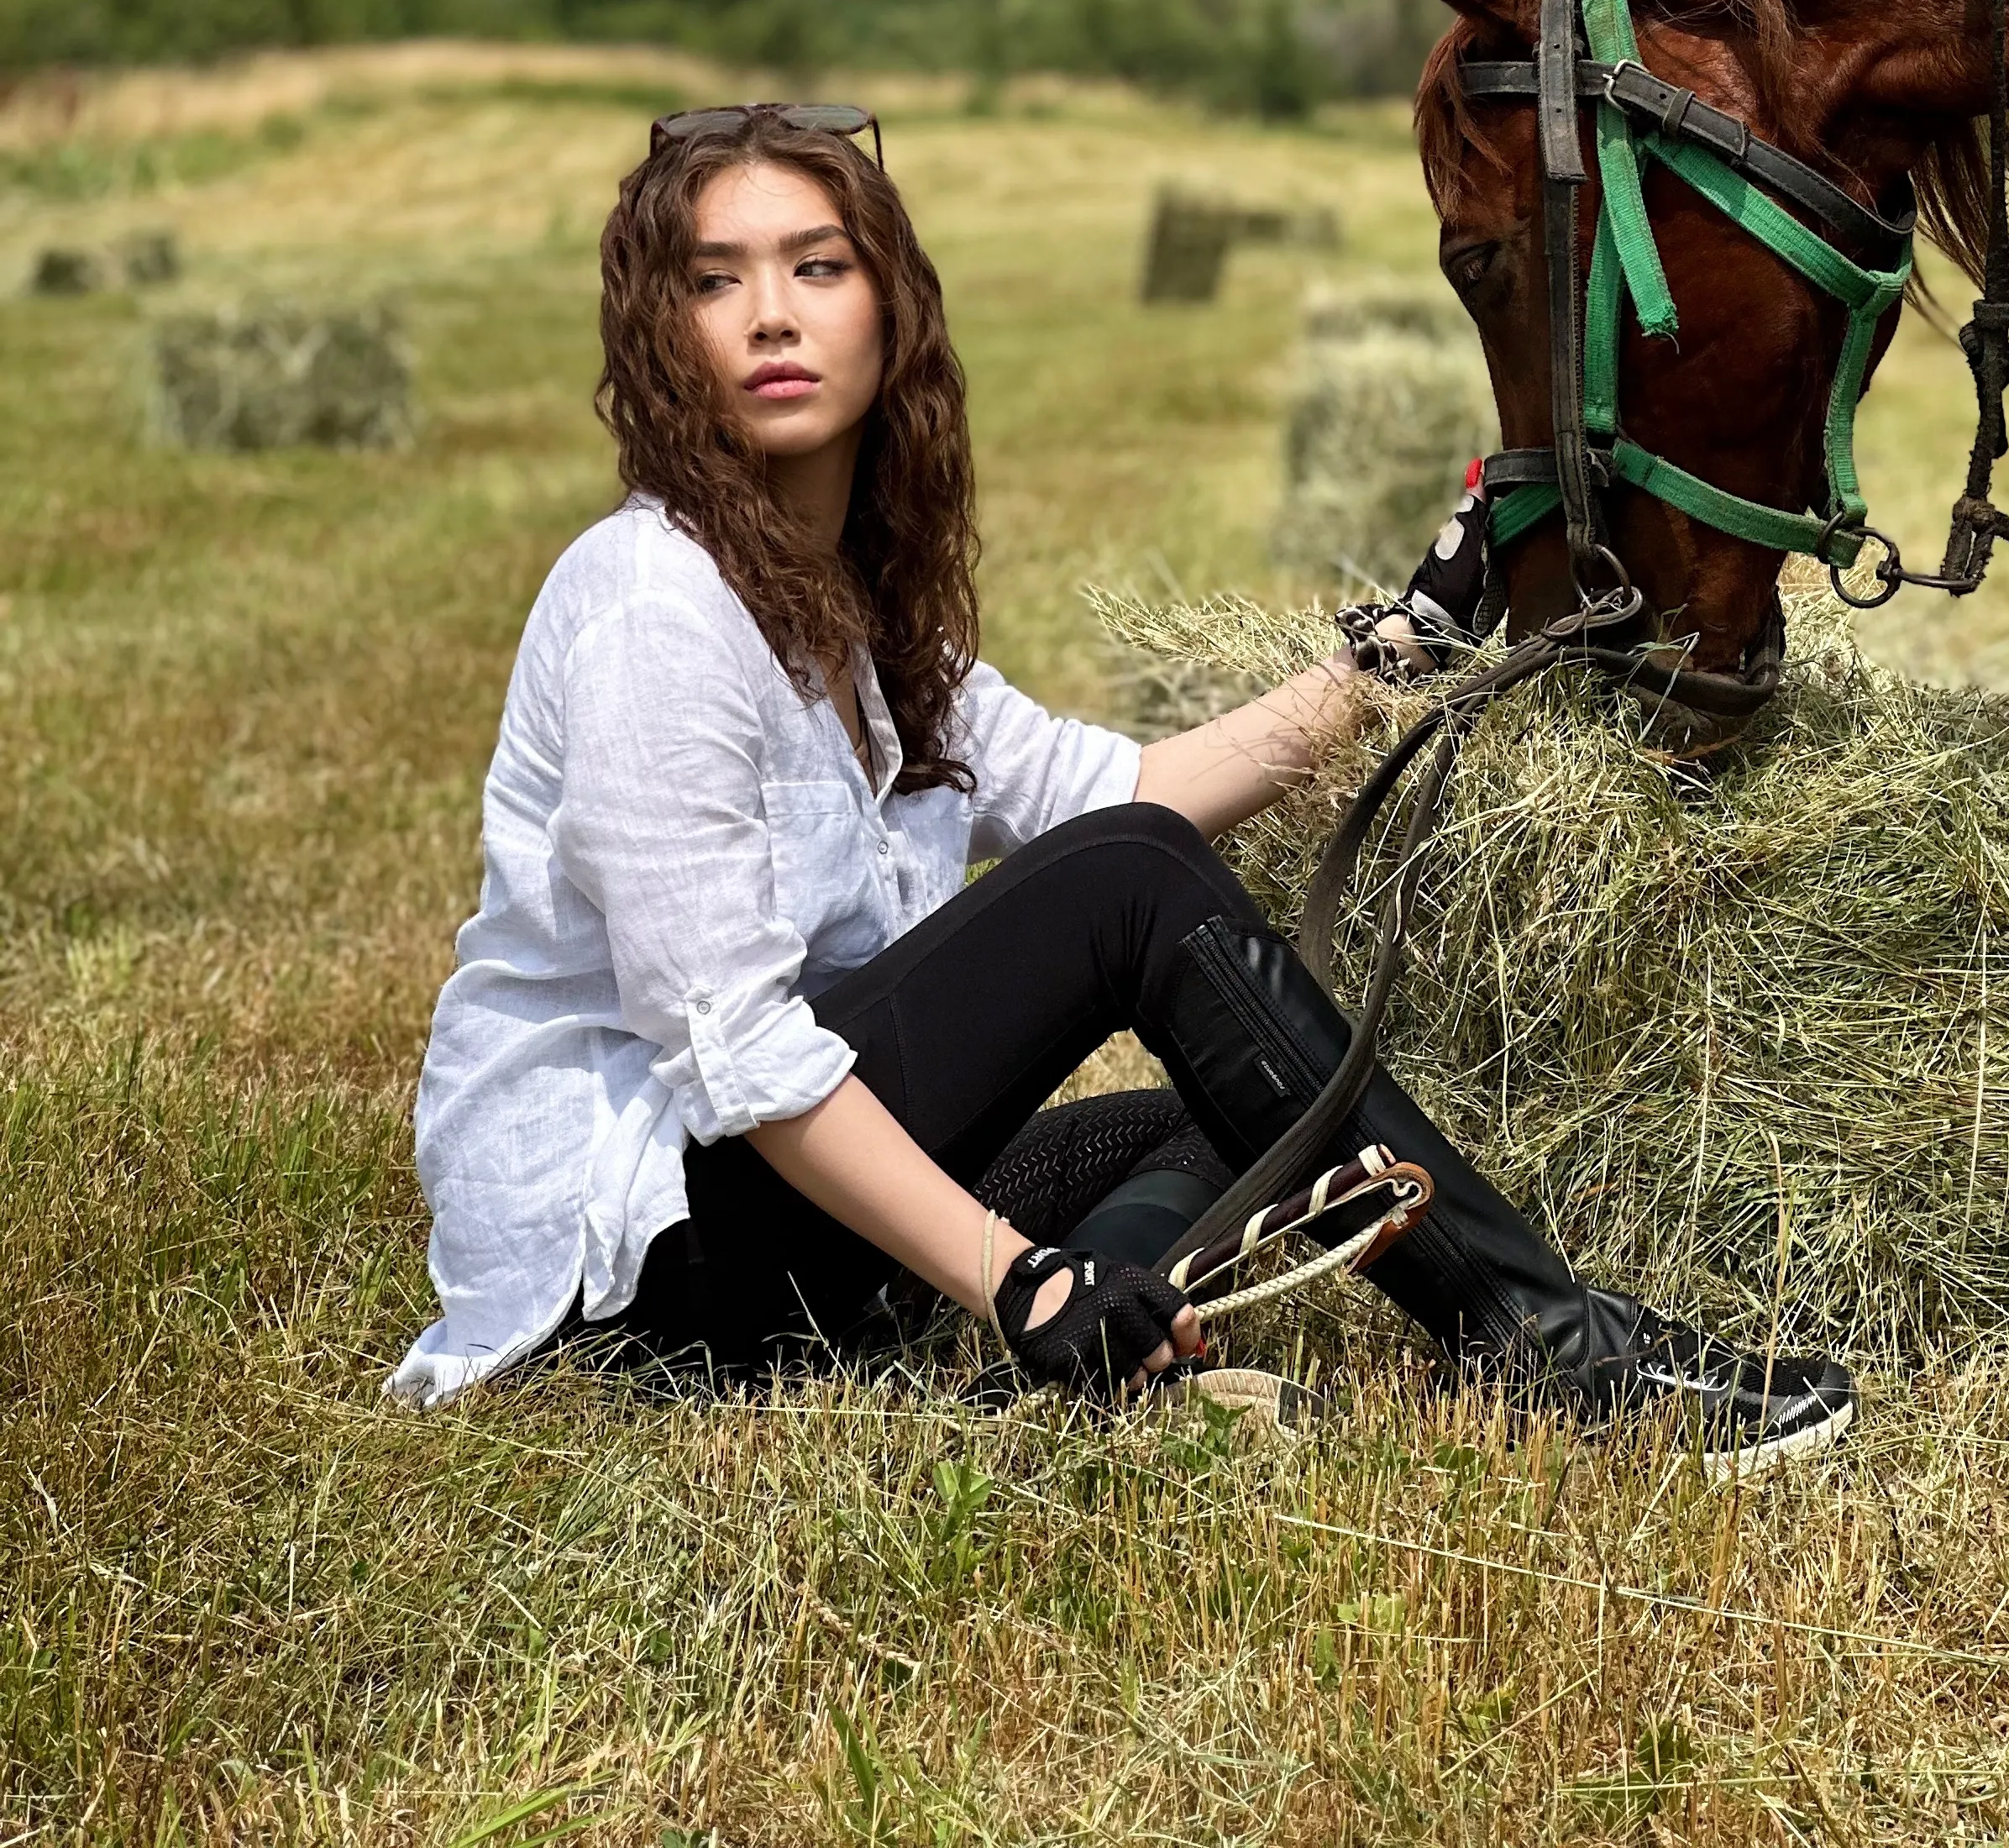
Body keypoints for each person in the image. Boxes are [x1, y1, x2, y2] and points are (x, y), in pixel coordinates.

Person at [387, 100, 1853, 1462]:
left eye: (817, 267)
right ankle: (1548, 1346)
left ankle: (1076, 1366)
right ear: (661, 335)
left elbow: (1115, 787)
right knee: (1136, 888)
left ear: (891, 310)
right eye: (716, 282)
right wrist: (1013, 1273)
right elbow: (739, 1056)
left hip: (792, 1233)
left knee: (1253, 1106)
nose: (772, 313)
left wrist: (1396, 653)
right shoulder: (655, 611)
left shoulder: (860, 608)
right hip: (642, 1276)